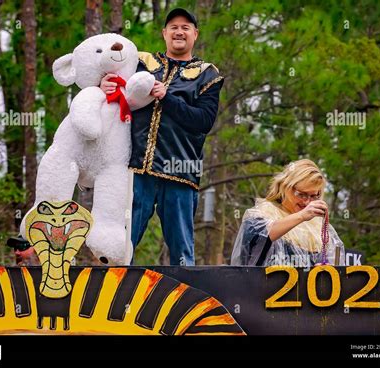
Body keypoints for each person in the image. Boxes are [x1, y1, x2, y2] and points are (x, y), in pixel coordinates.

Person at [100, 8, 224, 266]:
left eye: (186, 27)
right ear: (164, 33)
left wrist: (167, 97)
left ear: (195, 34)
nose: (179, 31)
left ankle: (186, 302)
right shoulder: (140, 61)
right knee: (121, 246)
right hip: (136, 170)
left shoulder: (207, 74)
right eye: (174, 27)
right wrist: (103, 86)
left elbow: (203, 122)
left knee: (182, 255)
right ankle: (112, 301)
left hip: (180, 173)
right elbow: (108, 80)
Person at [231, 159, 345, 267]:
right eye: (302, 194)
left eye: (314, 196)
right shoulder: (262, 213)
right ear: (285, 187)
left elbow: (331, 262)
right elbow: (259, 240)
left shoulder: (317, 227)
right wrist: (301, 216)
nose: (307, 202)